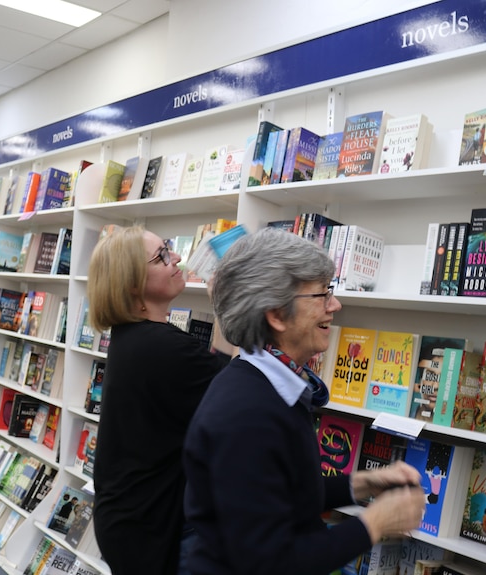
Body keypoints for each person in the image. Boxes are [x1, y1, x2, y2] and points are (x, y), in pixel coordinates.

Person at [183, 228, 426, 575]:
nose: (335, 305)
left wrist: (362, 484)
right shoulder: (246, 414)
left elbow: (282, 494)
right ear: (277, 314)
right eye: (322, 294)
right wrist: (374, 523)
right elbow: (269, 563)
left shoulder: (271, 386)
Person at [88, 225, 233, 575]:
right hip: (153, 529)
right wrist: (232, 303)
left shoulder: (134, 336)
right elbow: (238, 386)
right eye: (162, 256)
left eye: (170, 249)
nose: (178, 258)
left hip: (125, 520)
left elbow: (217, 373)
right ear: (133, 283)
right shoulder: (162, 346)